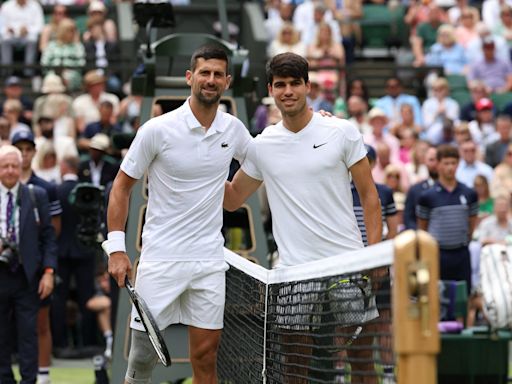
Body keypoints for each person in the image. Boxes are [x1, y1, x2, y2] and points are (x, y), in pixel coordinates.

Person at [224, 52, 382, 384]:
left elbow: (370, 197)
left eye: (295, 83)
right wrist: (196, 165)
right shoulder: (262, 144)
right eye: (280, 84)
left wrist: (374, 256)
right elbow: (233, 198)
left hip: (348, 265)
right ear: (271, 89)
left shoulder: (342, 131)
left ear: (308, 86)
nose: (288, 91)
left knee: (363, 363)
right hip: (294, 272)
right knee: (294, 368)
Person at [103, 45, 251, 384]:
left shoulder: (235, 130)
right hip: (160, 260)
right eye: (204, 73)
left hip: (209, 262)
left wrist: (316, 122)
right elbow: (121, 187)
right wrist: (117, 249)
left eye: (217, 74)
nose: (210, 80)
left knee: (205, 357)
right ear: (190, 77)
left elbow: (263, 160)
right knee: (141, 359)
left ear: (226, 81)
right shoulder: (157, 130)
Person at [0, 145, 57, 384]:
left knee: (28, 334)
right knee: (1, 334)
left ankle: (28, 381)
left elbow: (48, 238)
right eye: (5, 166)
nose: (11, 170)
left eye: (15, 165)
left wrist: (48, 272)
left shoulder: (36, 196)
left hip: (28, 276)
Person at [417, 144, 478, 293]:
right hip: (437, 255)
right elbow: (422, 229)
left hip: (461, 254)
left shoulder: (469, 193)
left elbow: (472, 224)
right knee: (436, 299)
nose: (450, 167)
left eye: (453, 163)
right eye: (446, 163)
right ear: (438, 165)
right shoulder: (427, 196)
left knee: (463, 299)